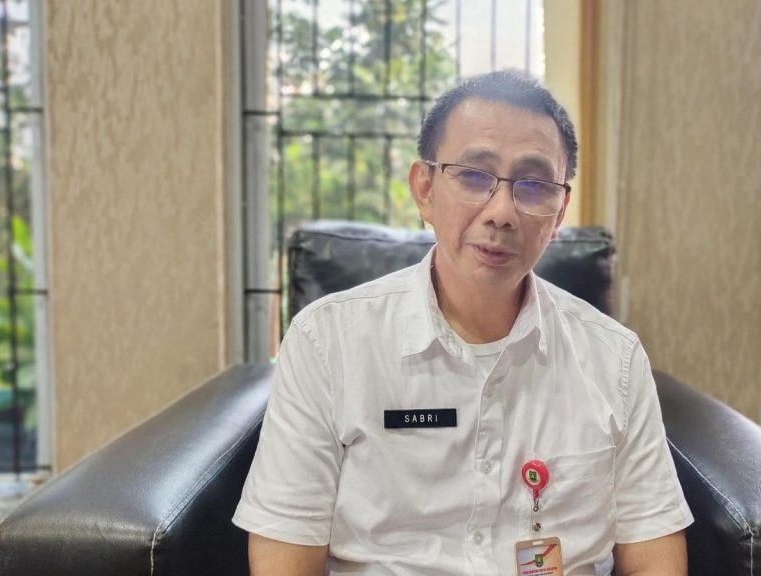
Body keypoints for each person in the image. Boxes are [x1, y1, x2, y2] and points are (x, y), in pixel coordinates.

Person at [233, 71, 693, 576]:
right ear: (424, 189)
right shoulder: (326, 343)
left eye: (534, 185)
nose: (502, 212)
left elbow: (654, 559)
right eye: (474, 176)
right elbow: (285, 563)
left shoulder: (615, 359)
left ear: (560, 210)